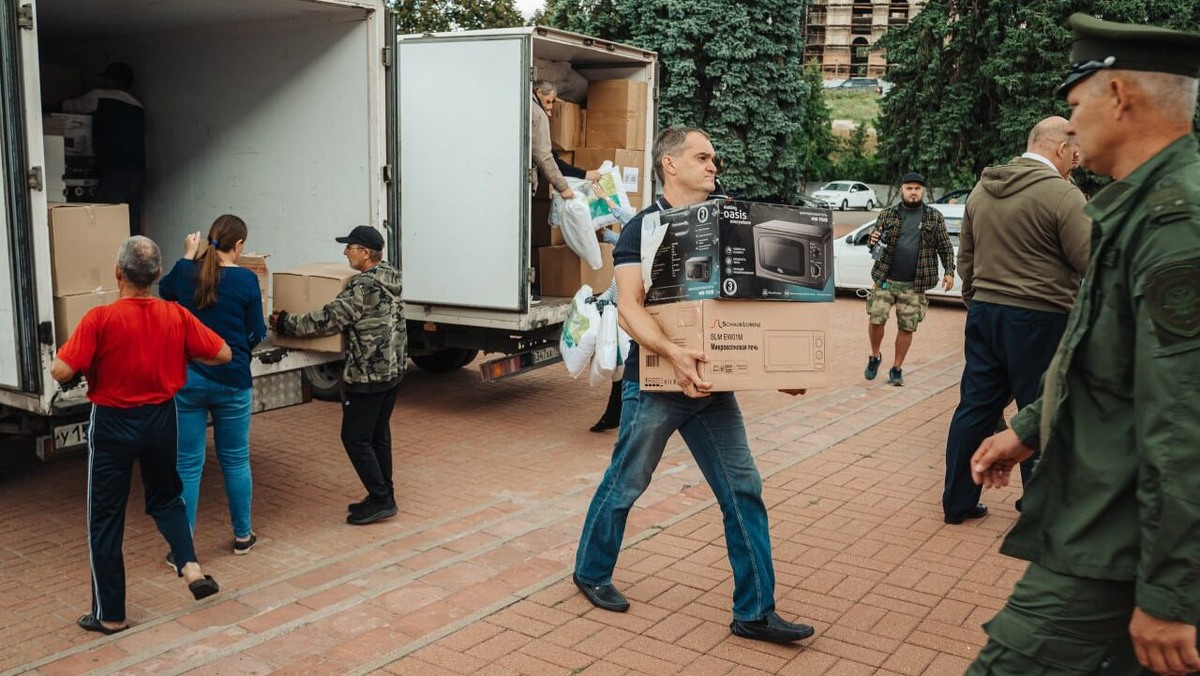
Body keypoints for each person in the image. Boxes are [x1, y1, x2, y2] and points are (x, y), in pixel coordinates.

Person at [967, 14, 1200, 676]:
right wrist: (1029, 428)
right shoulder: (1135, 207)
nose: (1071, 129)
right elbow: (1106, 355)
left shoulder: (1176, 225)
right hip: (1116, 519)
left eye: (1076, 107)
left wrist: (1168, 593)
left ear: (1119, 96)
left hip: (1122, 535)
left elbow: (1183, 418)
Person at [573, 127, 815, 644]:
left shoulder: (727, 222)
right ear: (670, 165)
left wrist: (784, 369)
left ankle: (754, 611)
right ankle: (591, 572)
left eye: (714, 158)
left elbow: (752, 303)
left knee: (742, 490)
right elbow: (628, 307)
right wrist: (672, 353)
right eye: (702, 157)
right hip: (657, 384)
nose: (713, 165)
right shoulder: (643, 227)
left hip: (713, 386)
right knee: (626, 485)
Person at [52, 236, 230, 635]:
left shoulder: (100, 319)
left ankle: (110, 614)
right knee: (167, 497)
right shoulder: (175, 315)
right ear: (157, 275)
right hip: (162, 417)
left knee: (105, 515)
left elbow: (62, 371)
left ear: (118, 273)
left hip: (114, 421)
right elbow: (222, 354)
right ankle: (189, 564)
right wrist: (181, 352)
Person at [941, 117, 1091, 525]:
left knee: (974, 408)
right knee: (1040, 407)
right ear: (1060, 149)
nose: (1075, 162)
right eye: (1074, 154)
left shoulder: (981, 190)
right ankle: (1039, 507)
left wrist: (978, 304)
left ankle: (957, 502)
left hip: (986, 313)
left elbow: (966, 260)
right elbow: (1091, 261)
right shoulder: (1062, 195)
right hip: (1042, 317)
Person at [270, 226, 407, 526]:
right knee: (377, 435)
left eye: (351, 247)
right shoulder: (390, 276)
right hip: (392, 371)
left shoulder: (363, 287)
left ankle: (382, 498)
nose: (345, 252)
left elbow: (329, 320)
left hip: (368, 375)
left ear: (366, 253)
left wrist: (286, 323)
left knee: (355, 438)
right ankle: (383, 495)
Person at [159, 215, 267, 553]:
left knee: (188, 465)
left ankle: (182, 547)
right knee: (235, 459)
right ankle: (242, 536)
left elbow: (164, 291)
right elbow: (258, 332)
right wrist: (240, 352)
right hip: (233, 379)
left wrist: (187, 255)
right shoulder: (247, 281)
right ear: (238, 246)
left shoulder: (188, 273)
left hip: (189, 378)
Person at [864, 173, 955, 386]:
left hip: (915, 284)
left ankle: (896, 368)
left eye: (917, 188)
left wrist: (949, 271)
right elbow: (874, 247)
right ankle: (875, 356)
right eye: (909, 188)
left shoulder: (934, 217)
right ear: (901, 190)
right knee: (876, 318)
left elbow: (945, 247)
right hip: (885, 279)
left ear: (922, 191)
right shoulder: (887, 215)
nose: (913, 192)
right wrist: (872, 240)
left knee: (907, 326)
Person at [62, 62, 146, 235]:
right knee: (130, 218)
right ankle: (136, 259)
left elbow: (68, 107)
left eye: (106, 79)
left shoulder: (98, 96)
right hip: (137, 170)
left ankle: (106, 256)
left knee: (106, 216)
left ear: (112, 81)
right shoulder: (138, 106)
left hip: (114, 169)